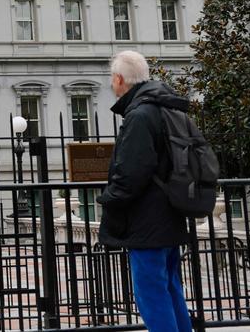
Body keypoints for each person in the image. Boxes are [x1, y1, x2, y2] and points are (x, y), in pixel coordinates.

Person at [97, 50, 193, 332]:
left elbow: (132, 172)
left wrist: (109, 199)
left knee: (151, 295)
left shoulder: (139, 115)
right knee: (170, 289)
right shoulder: (165, 108)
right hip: (169, 214)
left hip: (146, 220)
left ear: (119, 79)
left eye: (112, 79)